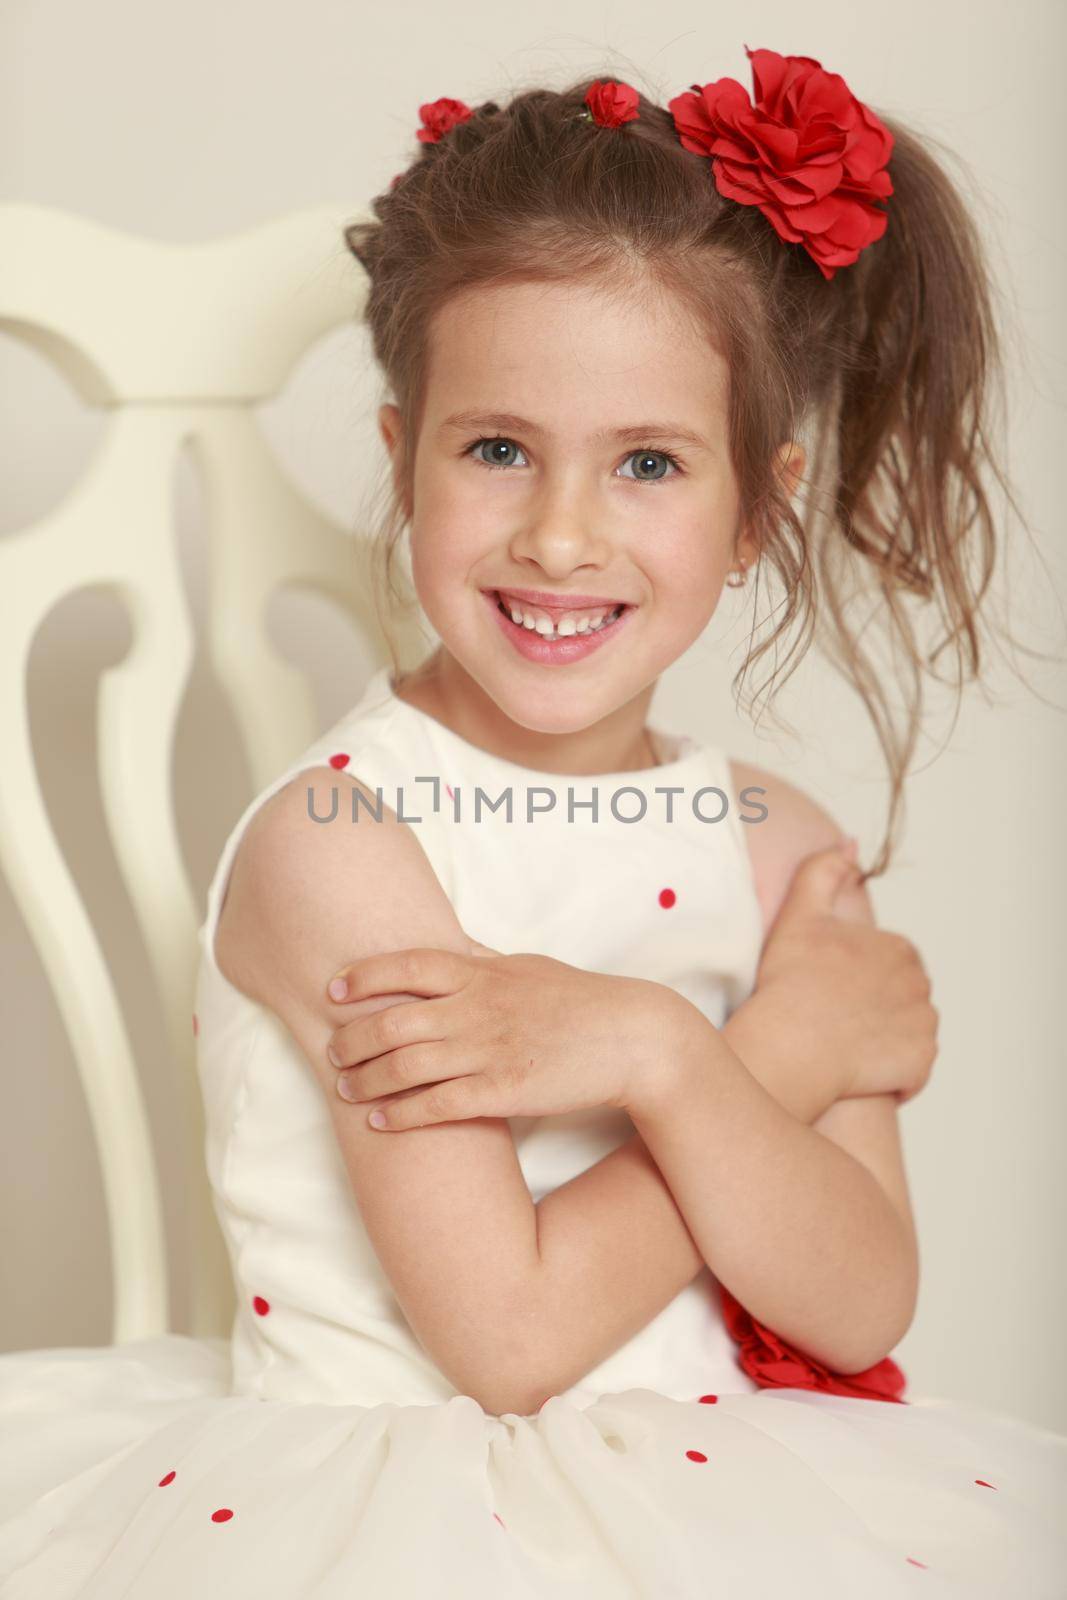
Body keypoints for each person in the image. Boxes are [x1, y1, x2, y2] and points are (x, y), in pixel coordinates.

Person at [2, 52, 1065, 1600]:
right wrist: (702, 1051)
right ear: (402, 461)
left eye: (648, 463)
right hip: (392, 1511)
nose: (562, 534)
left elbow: (858, 1306)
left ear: (758, 506)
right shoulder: (344, 846)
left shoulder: (776, 846)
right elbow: (504, 1339)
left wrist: (679, 1055)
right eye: (497, 448)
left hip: (725, 1502)